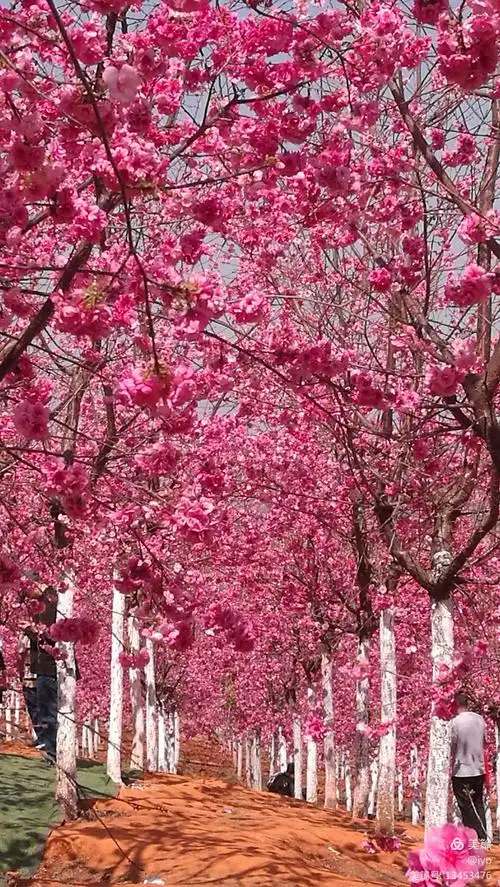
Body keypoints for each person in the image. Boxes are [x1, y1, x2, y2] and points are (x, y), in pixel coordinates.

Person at [451, 691, 487, 842]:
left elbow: (452, 744)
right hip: (478, 769)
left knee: (465, 807)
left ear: (456, 705)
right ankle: (482, 838)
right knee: (478, 803)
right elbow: (484, 741)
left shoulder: (455, 722)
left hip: (461, 771)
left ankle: (472, 840)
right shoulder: (480, 719)